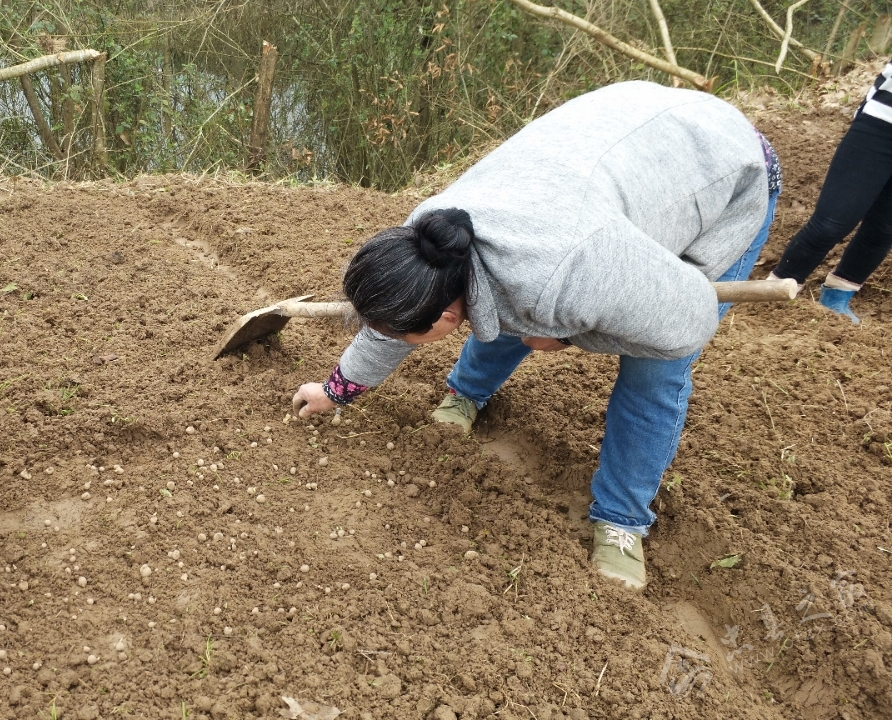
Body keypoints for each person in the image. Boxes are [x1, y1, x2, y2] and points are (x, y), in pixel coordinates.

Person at [292, 81, 780, 591]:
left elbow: (687, 325)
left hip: (722, 173)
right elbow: (398, 323)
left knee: (654, 372)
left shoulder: (564, 277)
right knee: (513, 305)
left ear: (445, 319)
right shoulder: (428, 239)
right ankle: (466, 394)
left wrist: (568, 338)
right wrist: (336, 392)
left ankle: (621, 519)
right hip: (614, 156)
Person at [768, 61, 892, 324]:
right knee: (832, 222)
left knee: (884, 229)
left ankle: (838, 295)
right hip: (880, 125)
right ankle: (774, 291)